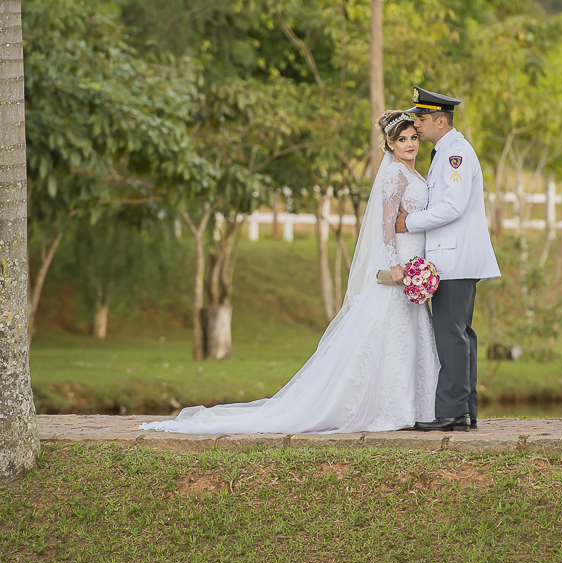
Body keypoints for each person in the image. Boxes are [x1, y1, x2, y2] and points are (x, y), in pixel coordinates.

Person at [140, 111, 440, 434]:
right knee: (389, 337)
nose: (409, 144)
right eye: (402, 140)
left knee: (410, 336)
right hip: (399, 269)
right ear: (390, 145)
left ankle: (414, 407)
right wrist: (395, 264)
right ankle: (390, 409)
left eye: (412, 138)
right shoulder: (395, 175)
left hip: (415, 268)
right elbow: (386, 223)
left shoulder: (415, 174)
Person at [395, 87, 500, 432]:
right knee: (460, 334)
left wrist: (408, 222)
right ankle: (463, 412)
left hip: (454, 259)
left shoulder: (455, 154)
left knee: (451, 335)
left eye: (422, 119)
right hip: (453, 257)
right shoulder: (447, 150)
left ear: (441, 121)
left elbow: (452, 207)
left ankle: (451, 413)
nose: (417, 125)